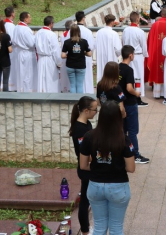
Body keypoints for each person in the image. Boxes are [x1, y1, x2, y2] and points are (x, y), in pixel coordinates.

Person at [79, 101, 135, 235]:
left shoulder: (89, 136)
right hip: (118, 187)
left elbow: (83, 165)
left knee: (99, 227)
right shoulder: (124, 139)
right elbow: (131, 168)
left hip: (95, 186)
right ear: (117, 117)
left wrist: (98, 167)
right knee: (116, 228)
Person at [69, 96, 98, 235]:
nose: (96, 112)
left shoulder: (87, 124)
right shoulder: (79, 129)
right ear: (86, 110)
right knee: (85, 201)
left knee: (89, 199)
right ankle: (85, 231)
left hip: (90, 166)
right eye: (94, 110)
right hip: (85, 168)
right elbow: (83, 153)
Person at [119, 45, 150, 164]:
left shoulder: (117, 68)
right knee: (132, 131)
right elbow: (129, 87)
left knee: (122, 130)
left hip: (120, 103)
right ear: (130, 55)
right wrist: (136, 93)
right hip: (130, 103)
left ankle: (122, 153)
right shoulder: (128, 70)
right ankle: (135, 154)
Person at [122, 12, 149, 106]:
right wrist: (145, 55)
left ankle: (130, 95)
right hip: (137, 56)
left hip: (127, 56)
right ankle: (137, 97)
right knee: (138, 77)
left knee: (129, 76)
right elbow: (143, 45)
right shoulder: (140, 32)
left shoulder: (125, 30)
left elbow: (123, 42)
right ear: (137, 19)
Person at [61, 25, 92, 94]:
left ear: (70, 32)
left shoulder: (67, 42)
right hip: (81, 65)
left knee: (72, 85)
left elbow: (63, 55)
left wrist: (69, 54)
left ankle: (72, 101)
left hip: (70, 65)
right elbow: (89, 54)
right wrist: (83, 53)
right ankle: (79, 101)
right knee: (80, 85)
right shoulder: (84, 42)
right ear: (79, 32)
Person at [35, 16, 61, 93]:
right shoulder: (51, 34)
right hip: (50, 60)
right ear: (51, 23)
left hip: (41, 59)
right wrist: (59, 63)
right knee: (50, 81)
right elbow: (55, 50)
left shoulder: (38, 33)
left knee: (41, 80)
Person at [12, 12, 37, 92]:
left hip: (19, 52)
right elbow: (31, 44)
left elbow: (13, 40)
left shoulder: (16, 27)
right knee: (27, 73)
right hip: (27, 53)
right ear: (25, 19)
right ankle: (27, 90)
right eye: (29, 17)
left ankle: (20, 89)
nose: (31, 18)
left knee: (20, 72)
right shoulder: (26, 29)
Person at [96, 14, 122, 85]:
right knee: (111, 77)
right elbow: (118, 50)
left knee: (101, 74)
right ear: (112, 22)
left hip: (101, 58)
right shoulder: (114, 34)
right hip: (111, 59)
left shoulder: (99, 32)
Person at [76, 11, 96, 93]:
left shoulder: (72, 30)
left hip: (74, 57)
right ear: (83, 19)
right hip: (85, 56)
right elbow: (91, 46)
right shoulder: (87, 31)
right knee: (86, 77)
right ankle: (87, 93)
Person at [4, 7, 17, 91]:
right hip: (11, 49)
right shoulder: (10, 25)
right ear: (12, 14)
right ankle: (11, 86)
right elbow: (13, 39)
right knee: (11, 68)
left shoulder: (4, 23)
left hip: (5, 49)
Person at [60, 20, 73, 93]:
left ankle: (64, 88)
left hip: (64, 55)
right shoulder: (70, 34)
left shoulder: (63, 35)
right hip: (69, 56)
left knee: (65, 74)